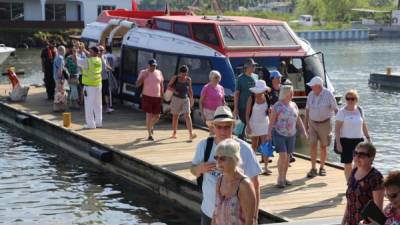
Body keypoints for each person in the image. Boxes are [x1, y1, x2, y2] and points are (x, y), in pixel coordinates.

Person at [191, 106, 262, 225]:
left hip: (237, 218)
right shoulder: (204, 146)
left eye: (227, 127)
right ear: (213, 127)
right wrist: (200, 168)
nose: (223, 131)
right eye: (219, 127)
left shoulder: (244, 149)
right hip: (209, 212)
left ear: (233, 126)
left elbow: (255, 184)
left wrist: (254, 217)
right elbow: (193, 170)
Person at [267, 85, 307, 188]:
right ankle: (280, 178)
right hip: (279, 133)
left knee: (288, 157)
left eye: (292, 92)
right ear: (285, 93)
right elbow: (272, 121)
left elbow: (298, 119)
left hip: (291, 134)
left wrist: (303, 131)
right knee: (283, 155)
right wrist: (268, 133)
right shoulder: (277, 106)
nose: (292, 94)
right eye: (290, 92)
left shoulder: (294, 105)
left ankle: (284, 177)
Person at [211, 139, 257, 225]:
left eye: (223, 158)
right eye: (216, 158)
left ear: (235, 159)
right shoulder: (220, 180)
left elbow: (249, 220)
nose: (218, 162)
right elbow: (215, 213)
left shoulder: (244, 184)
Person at [342, 142, 384, 225]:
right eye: (355, 153)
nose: (357, 157)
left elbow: (378, 210)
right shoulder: (353, 172)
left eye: (362, 155)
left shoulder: (375, 177)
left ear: (371, 158)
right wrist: (343, 222)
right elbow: (350, 202)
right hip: (351, 221)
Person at [305, 76, 338, 178]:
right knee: (312, 145)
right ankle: (313, 168)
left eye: (312, 86)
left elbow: (335, 109)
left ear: (318, 86)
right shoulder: (310, 94)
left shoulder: (328, 94)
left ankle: (322, 167)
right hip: (313, 123)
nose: (311, 88)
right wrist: (306, 124)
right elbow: (307, 110)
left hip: (325, 123)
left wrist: (341, 123)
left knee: (323, 146)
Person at [335, 89, 371, 181]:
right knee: (347, 163)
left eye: (353, 98)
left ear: (356, 100)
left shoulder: (360, 110)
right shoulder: (341, 112)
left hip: (359, 141)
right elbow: (337, 129)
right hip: (345, 141)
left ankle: (355, 180)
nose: (350, 101)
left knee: (359, 162)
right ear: (346, 99)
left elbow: (364, 125)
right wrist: (338, 143)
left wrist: (369, 139)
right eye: (348, 98)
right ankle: (349, 184)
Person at [245, 79, 271, 175]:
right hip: (253, 124)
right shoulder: (251, 98)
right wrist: (248, 126)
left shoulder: (267, 98)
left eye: (261, 91)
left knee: (265, 145)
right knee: (254, 145)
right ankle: (252, 165)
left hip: (264, 123)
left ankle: (266, 167)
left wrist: (270, 111)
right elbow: (247, 114)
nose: (259, 93)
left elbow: (268, 112)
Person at [136, 59, 164, 141]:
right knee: (149, 115)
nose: (153, 67)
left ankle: (150, 126)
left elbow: (161, 85)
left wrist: (162, 96)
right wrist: (143, 77)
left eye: (154, 65)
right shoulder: (143, 72)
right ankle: (149, 135)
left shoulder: (159, 72)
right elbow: (137, 84)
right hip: (147, 96)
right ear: (148, 65)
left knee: (157, 116)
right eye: (151, 65)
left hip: (157, 97)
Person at [77, 46, 103, 129]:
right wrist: (83, 49)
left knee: (89, 105)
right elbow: (91, 55)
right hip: (98, 84)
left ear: (94, 53)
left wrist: (75, 51)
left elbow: (76, 60)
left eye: (90, 51)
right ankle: (99, 122)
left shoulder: (87, 61)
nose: (89, 52)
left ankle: (91, 124)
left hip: (89, 86)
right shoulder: (99, 59)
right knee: (98, 105)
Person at [168, 65, 196, 140]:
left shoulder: (188, 79)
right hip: (176, 99)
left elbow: (190, 90)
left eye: (185, 74)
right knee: (175, 116)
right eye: (183, 74)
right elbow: (169, 86)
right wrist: (175, 91)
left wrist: (192, 98)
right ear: (180, 72)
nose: (184, 75)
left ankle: (191, 134)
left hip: (185, 99)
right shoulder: (175, 78)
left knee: (187, 115)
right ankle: (174, 132)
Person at [233, 58, 258, 138]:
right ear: (247, 67)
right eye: (252, 66)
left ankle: (253, 143)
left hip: (254, 106)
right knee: (243, 124)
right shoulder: (240, 78)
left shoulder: (256, 76)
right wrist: (235, 108)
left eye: (254, 66)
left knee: (253, 125)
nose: (254, 67)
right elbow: (236, 94)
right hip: (243, 106)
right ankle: (242, 139)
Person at [199, 70, 225, 135]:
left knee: (218, 130)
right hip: (208, 111)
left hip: (218, 112)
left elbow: (223, 100)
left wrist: (225, 110)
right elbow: (200, 101)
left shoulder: (221, 88)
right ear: (211, 78)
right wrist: (202, 114)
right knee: (213, 130)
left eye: (218, 77)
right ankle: (211, 143)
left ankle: (215, 143)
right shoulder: (206, 87)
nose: (217, 79)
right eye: (216, 77)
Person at [99, 45, 114, 113]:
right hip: (98, 79)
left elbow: (107, 65)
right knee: (99, 93)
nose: (101, 52)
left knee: (106, 93)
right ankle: (99, 108)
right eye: (100, 50)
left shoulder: (105, 56)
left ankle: (107, 107)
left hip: (105, 78)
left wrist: (110, 68)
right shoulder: (96, 58)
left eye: (102, 50)